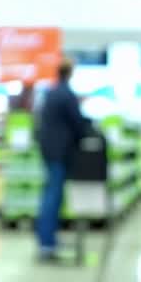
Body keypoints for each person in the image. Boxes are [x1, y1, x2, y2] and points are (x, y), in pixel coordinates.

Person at [34, 58, 88, 261]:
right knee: (53, 196)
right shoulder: (67, 94)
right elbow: (78, 123)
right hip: (60, 152)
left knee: (51, 194)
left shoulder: (50, 93)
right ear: (70, 72)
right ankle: (47, 243)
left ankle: (49, 238)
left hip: (48, 150)